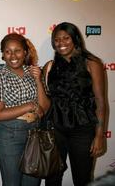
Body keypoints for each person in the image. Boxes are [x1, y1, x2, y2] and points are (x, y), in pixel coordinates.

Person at [43, 22, 106, 186]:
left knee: (83, 177)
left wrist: (99, 135)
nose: (61, 43)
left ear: (75, 39)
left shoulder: (92, 63)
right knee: (52, 177)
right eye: (57, 39)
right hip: (56, 128)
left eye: (66, 38)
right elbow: (45, 100)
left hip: (83, 129)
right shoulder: (50, 66)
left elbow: (100, 102)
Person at [0, 33, 50, 186]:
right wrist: (29, 106)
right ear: (3, 55)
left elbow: (45, 107)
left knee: (32, 183)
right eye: (8, 51)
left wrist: (38, 79)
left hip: (34, 133)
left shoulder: (34, 73)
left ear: (25, 52)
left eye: (18, 50)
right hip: (9, 136)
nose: (13, 55)